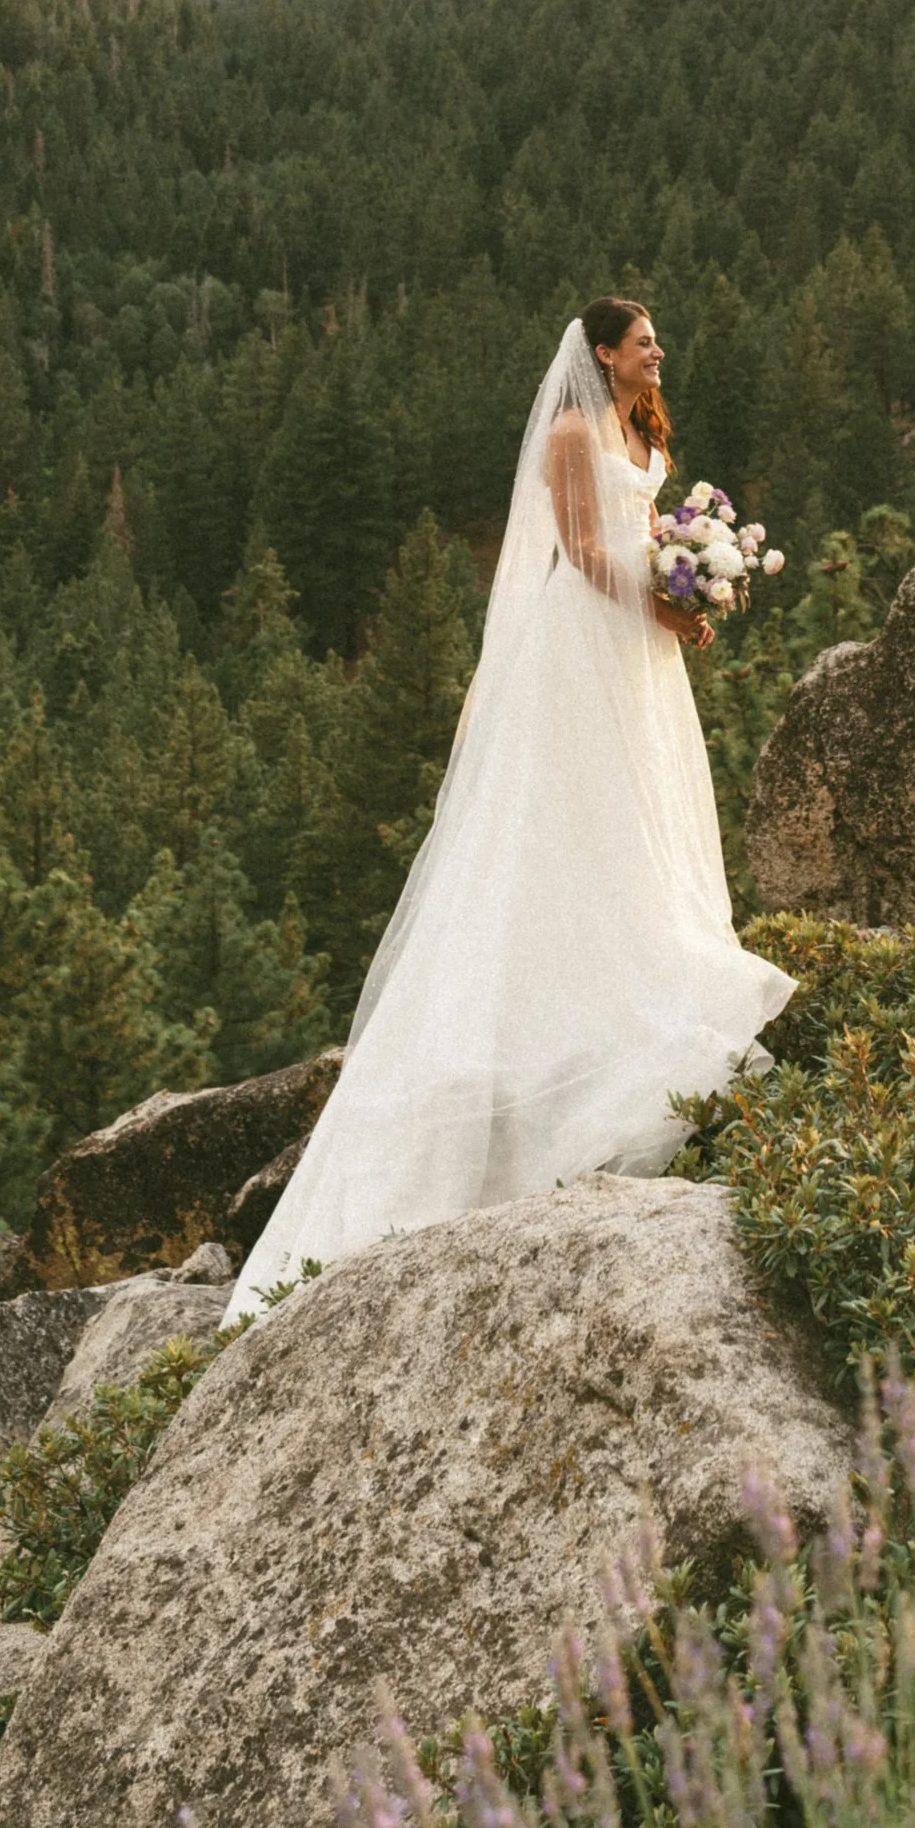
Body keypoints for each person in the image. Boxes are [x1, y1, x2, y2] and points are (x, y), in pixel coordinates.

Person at [227, 298, 793, 1312]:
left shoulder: (640, 425)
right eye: (643, 340)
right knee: (570, 817)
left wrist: (684, 595)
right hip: (584, 636)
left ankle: (650, 953)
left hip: (635, 647)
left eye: (658, 337)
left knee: (640, 806)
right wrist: (662, 597)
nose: (659, 350)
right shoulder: (577, 432)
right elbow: (580, 550)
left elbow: (647, 529)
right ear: (602, 353)